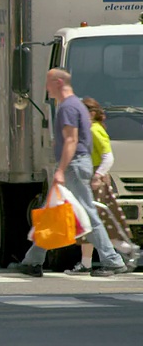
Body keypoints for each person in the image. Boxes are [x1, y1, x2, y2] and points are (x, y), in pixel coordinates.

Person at [18, 69, 127, 277]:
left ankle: (112, 260)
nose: (46, 87)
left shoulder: (67, 107)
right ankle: (33, 260)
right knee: (52, 211)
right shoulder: (76, 105)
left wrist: (60, 170)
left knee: (86, 212)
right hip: (76, 164)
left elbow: (71, 140)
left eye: (48, 82)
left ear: (58, 82)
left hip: (73, 166)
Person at [64, 97, 140, 274]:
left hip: (94, 180)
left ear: (90, 114)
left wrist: (98, 175)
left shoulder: (94, 130)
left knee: (96, 223)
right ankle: (87, 263)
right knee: (91, 223)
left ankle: (127, 251)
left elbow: (108, 157)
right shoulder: (90, 129)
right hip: (91, 178)